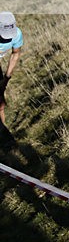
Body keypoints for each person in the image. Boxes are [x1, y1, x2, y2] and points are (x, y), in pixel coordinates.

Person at [0, 11, 23, 146]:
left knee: (1, 103)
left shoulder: (17, 34)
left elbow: (15, 54)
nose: (7, 39)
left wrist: (6, 78)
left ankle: (2, 136)